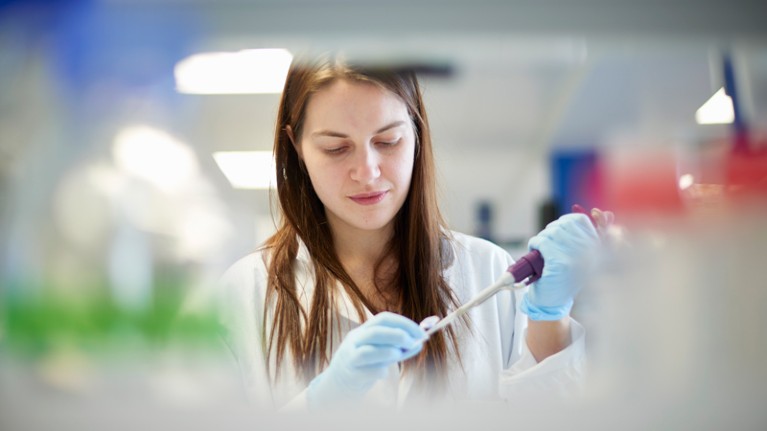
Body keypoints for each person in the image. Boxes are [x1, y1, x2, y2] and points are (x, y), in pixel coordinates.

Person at [216, 54, 603, 411]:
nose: (367, 171)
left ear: (417, 134)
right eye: (336, 148)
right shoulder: (247, 293)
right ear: (296, 146)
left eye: (388, 141)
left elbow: (548, 418)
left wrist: (551, 317)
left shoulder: (488, 270)